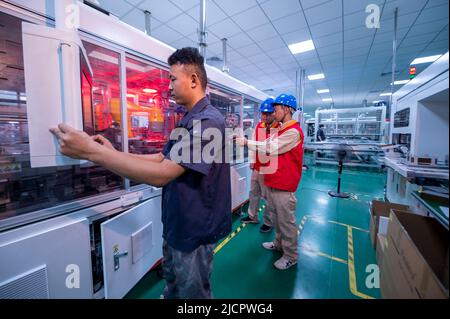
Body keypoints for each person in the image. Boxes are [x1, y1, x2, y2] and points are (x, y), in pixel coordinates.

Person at [50, 47, 232, 298]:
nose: (168, 86)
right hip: (177, 224)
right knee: (173, 286)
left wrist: (91, 152)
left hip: (194, 230)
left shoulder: (209, 121)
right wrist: (114, 152)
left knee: (192, 294)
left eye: (172, 78)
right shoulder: (188, 119)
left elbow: (163, 173)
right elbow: (160, 158)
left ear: (193, 80)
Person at [236, 93, 304, 270]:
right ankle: (279, 244)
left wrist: (246, 142)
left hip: (284, 183)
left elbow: (269, 147)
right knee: (279, 218)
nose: (273, 112)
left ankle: (291, 256)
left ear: (287, 109)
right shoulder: (281, 128)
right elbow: (265, 142)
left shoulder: (293, 132)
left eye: (276, 108)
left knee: (286, 221)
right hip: (274, 181)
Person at [240, 98, 278, 233]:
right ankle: (252, 216)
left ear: (274, 113)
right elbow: (252, 144)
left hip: (270, 168)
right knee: (254, 192)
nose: (265, 116)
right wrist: (251, 160)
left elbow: (271, 148)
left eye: (268, 113)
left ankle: (268, 222)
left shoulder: (278, 128)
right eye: (263, 113)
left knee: (268, 197)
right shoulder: (259, 127)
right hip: (257, 166)